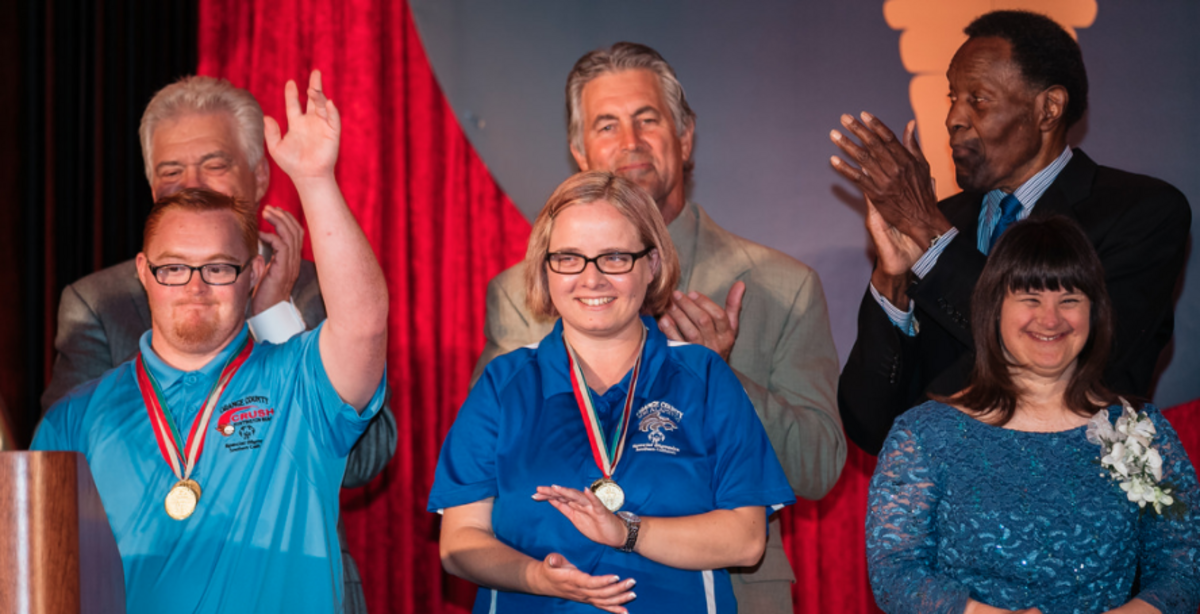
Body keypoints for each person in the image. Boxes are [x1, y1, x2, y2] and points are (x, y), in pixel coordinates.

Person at [475, 42, 843, 610]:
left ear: (685, 137)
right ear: (579, 150)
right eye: (606, 125)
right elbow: (491, 475)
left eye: (648, 120)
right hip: (568, 590)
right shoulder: (524, 294)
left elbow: (819, 469)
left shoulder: (781, 286)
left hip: (734, 591)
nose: (630, 143)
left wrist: (722, 376)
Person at [32, 71, 390, 614]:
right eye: (174, 268)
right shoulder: (78, 411)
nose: (195, 285)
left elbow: (364, 340)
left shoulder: (303, 355)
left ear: (249, 276)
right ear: (144, 273)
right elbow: (46, 551)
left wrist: (316, 181)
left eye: (219, 268)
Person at [431, 171, 795, 614]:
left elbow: (746, 540)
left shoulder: (705, 377)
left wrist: (627, 531)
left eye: (615, 257)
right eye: (569, 258)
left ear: (652, 265)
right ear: (545, 268)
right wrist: (538, 579)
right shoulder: (503, 384)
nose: (592, 278)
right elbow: (458, 542)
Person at [831, 10, 1191, 455]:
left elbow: (1087, 365)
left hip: (1070, 498)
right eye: (953, 97)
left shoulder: (1140, 211)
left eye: (978, 99)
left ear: (1048, 109)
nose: (953, 119)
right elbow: (870, 425)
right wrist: (892, 284)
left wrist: (932, 238)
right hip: (945, 507)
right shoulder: (934, 228)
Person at [866, 216, 1200, 614]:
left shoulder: (1141, 431)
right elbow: (895, 573)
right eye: (1030, 298)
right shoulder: (924, 434)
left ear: (1094, 313)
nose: (1051, 318)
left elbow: (1184, 566)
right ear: (994, 309)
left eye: (1070, 300)